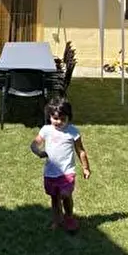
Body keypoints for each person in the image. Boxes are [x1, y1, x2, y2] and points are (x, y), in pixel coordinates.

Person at [30, 97, 91, 232]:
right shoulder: (46, 130)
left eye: (63, 119)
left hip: (67, 172)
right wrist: (38, 152)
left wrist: (86, 168)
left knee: (65, 194)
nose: (58, 122)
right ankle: (57, 220)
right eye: (55, 118)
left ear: (69, 117)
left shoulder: (73, 131)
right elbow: (34, 144)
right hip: (50, 172)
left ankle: (69, 217)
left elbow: (80, 151)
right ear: (50, 116)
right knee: (54, 198)